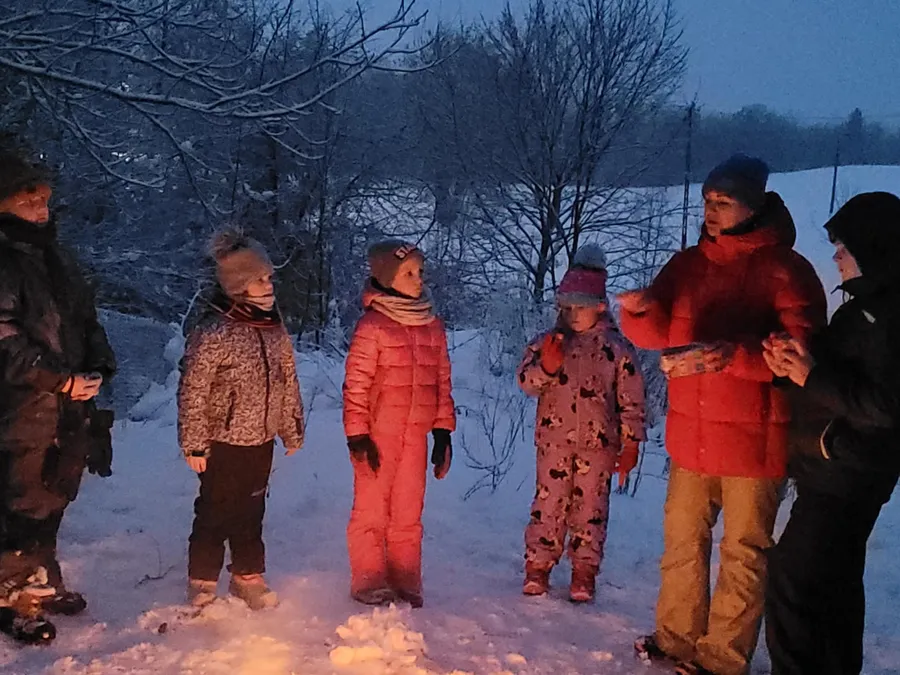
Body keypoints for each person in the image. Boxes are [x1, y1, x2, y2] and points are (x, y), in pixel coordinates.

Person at [619, 155, 827, 675]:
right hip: (692, 434)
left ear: (753, 206)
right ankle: (675, 638)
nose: (711, 211)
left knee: (743, 554)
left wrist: (734, 356)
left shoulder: (787, 271)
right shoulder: (688, 264)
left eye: (724, 202)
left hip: (756, 442)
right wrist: (639, 312)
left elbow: (799, 354)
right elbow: (659, 335)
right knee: (682, 543)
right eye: (708, 201)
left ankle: (723, 659)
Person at [763, 192, 900, 675]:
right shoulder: (861, 309)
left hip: (850, 471)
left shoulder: (890, 316)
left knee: (791, 580)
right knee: (835, 583)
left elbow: (886, 404)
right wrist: (790, 363)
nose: (836, 257)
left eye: (844, 247)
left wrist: (810, 375)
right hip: (833, 464)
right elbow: (832, 371)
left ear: (871, 247)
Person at [0, 142, 116, 619]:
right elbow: (4, 336)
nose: (40, 208)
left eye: (43, 199)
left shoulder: (57, 258)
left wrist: (98, 364)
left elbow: (85, 318)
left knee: (54, 492)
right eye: (27, 200)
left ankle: (43, 580)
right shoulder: (4, 260)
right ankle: (14, 597)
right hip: (21, 404)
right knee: (21, 501)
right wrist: (57, 379)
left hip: (66, 404)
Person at [178, 229, 304, 610]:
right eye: (259, 280)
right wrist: (194, 442)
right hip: (223, 440)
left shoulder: (273, 328)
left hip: (261, 439)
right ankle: (203, 580)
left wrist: (291, 428)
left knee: (251, 509)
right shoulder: (215, 331)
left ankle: (247, 575)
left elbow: (286, 380)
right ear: (237, 286)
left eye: (269, 278)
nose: (269, 285)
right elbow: (193, 388)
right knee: (215, 509)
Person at [517, 244, 645, 603]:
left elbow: (632, 400)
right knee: (549, 504)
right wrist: (546, 367)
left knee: (591, 509)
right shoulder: (548, 343)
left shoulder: (617, 350)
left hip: (599, 445)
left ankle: (584, 570)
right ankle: (538, 565)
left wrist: (631, 442)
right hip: (554, 442)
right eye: (567, 307)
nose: (573, 315)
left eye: (581, 307)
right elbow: (526, 382)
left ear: (600, 306)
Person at [342, 239, 455, 608]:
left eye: (420, 272)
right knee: (372, 508)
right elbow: (356, 384)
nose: (418, 279)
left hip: (416, 436)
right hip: (378, 435)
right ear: (387, 278)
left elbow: (442, 381)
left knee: (408, 509)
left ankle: (405, 575)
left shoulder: (432, 326)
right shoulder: (373, 326)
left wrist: (442, 432)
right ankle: (369, 577)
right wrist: (357, 435)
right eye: (408, 273)